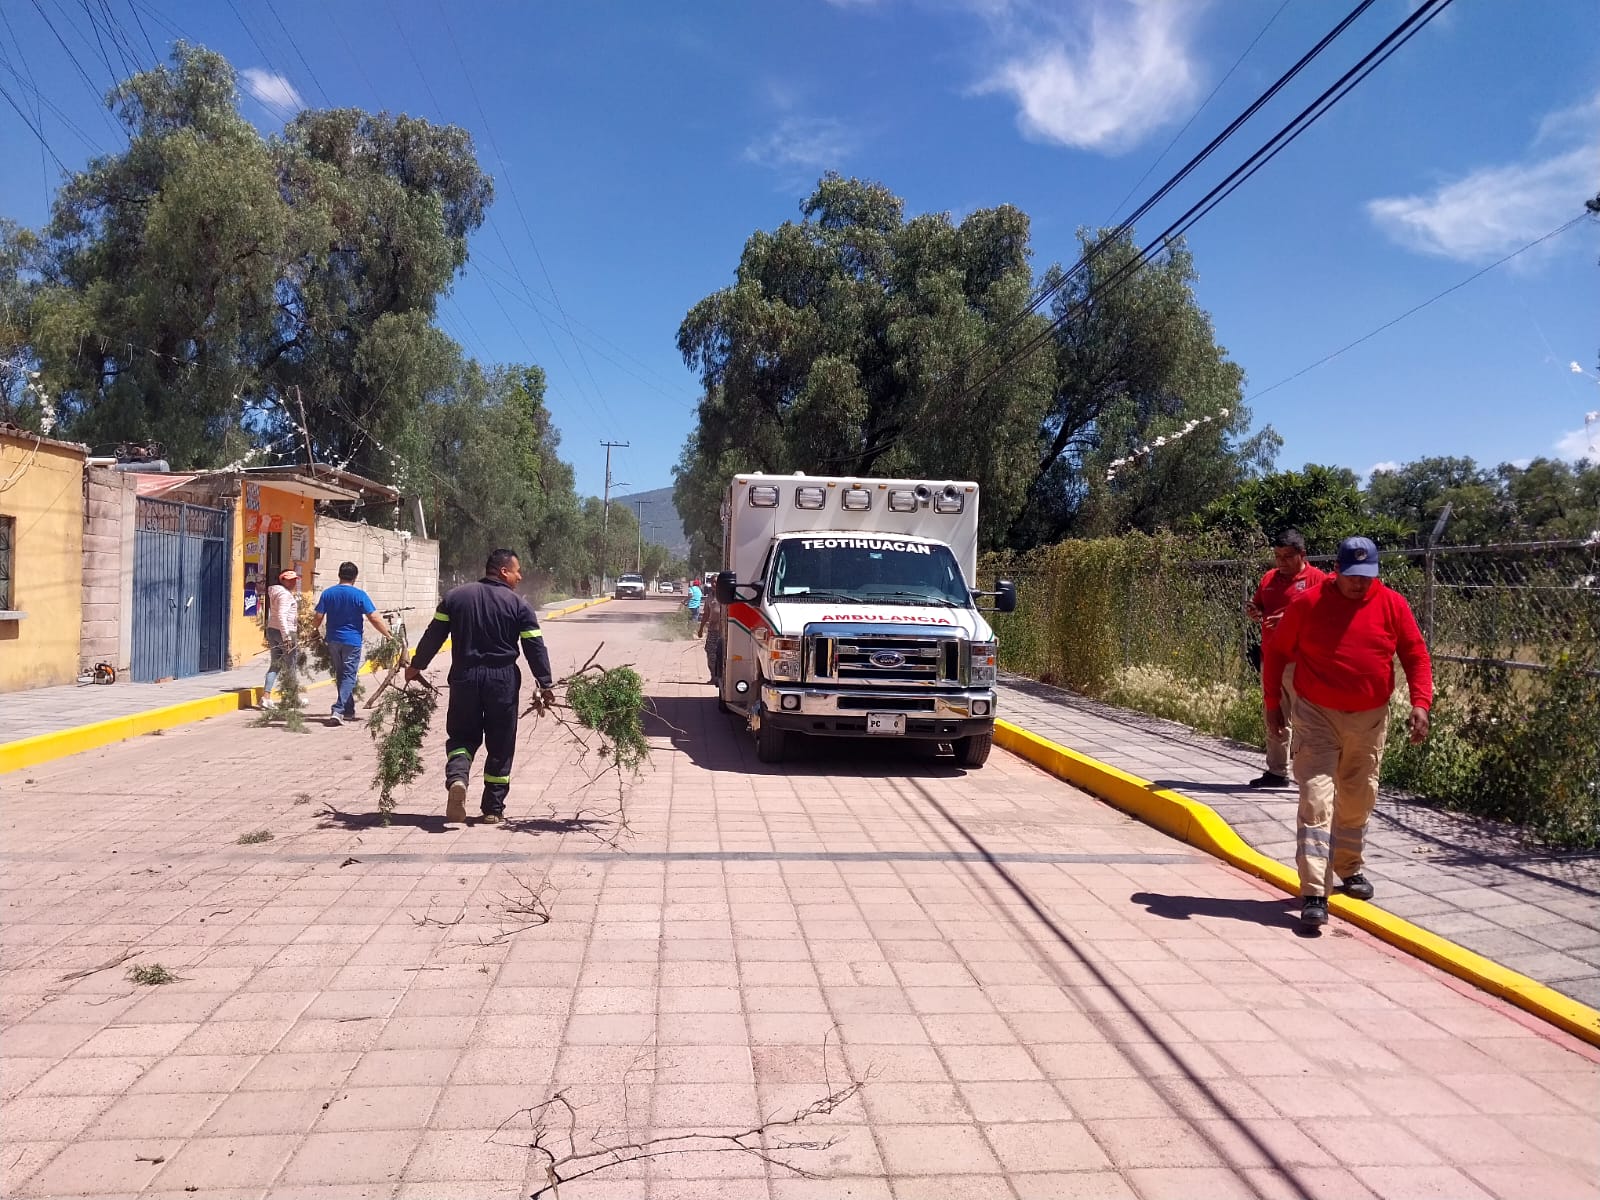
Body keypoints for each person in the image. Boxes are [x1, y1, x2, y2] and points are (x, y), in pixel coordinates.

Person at [1264, 536, 1432, 929]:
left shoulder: (1392, 604)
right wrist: (1273, 703)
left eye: (1368, 576)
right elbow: (1276, 651)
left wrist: (1420, 703)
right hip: (1316, 716)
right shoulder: (1307, 604)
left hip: (1369, 720)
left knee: (1358, 797)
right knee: (1316, 799)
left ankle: (1349, 867)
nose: (1360, 584)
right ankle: (1313, 892)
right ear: (1336, 570)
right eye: (1352, 576)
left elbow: (1415, 653)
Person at [405, 549, 555, 826]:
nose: (520, 577)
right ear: (502, 571)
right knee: (500, 744)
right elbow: (534, 646)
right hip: (502, 681)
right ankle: (492, 809)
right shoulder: (518, 605)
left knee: (462, 736)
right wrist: (544, 682)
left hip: (464, 678)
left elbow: (433, 636)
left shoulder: (455, 598)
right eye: (516, 571)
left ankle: (458, 778)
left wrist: (416, 666)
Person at [1245, 529, 1330, 788]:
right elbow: (1259, 603)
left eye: (1287, 556)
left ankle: (1311, 774)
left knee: (1306, 718)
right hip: (1272, 658)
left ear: (1302, 555)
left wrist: (1292, 620)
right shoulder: (1269, 578)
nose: (1281, 562)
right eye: (1277, 556)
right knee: (1274, 715)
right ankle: (1276, 771)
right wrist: (1255, 610)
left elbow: (1328, 618)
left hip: (1301, 661)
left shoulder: (1318, 580)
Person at [314, 562, 392, 725]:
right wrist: (387, 635)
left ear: (339, 575)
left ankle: (348, 709)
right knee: (349, 675)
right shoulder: (359, 595)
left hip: (333, 640)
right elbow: (374, 617)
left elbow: (318, 616)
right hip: (352, 641)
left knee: (341, 674)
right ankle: (339, 710)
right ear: (355, 577)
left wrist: (313, 630)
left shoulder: (328, 593)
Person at [262, 570, 299, 708]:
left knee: (276, 664)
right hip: (285, 632)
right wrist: (287, 637)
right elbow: (282, 616)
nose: (293, 582)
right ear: (282, 580)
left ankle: (266, 697)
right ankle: (292, 698)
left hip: (272, 629)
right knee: (291, 666)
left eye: (295, 579)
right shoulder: (284, 595)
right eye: (290, 580)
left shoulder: (275, 592)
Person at [697, 584, 725, 685]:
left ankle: (722, 677)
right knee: (710, 652)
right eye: (712, 582)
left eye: (716, 582)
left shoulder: (724, 596)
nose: (714, 584)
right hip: (712, 630)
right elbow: (706, 614)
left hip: (724, 631)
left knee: (722, 654)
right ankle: (714, 677)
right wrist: (701, 629)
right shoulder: (709, 597)